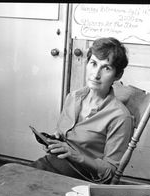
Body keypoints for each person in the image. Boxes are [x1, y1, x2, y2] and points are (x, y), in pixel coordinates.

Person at [31, 37, 133, 184]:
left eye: (106, 68)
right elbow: (62, 134)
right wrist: (53, 142)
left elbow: (110, 172)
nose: (96, 74)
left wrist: (76, 155)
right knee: (10, 181)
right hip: (53, 164)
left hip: (82, 179)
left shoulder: (120, 117)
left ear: (117, 75)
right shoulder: (73, 97)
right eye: (93, 63)